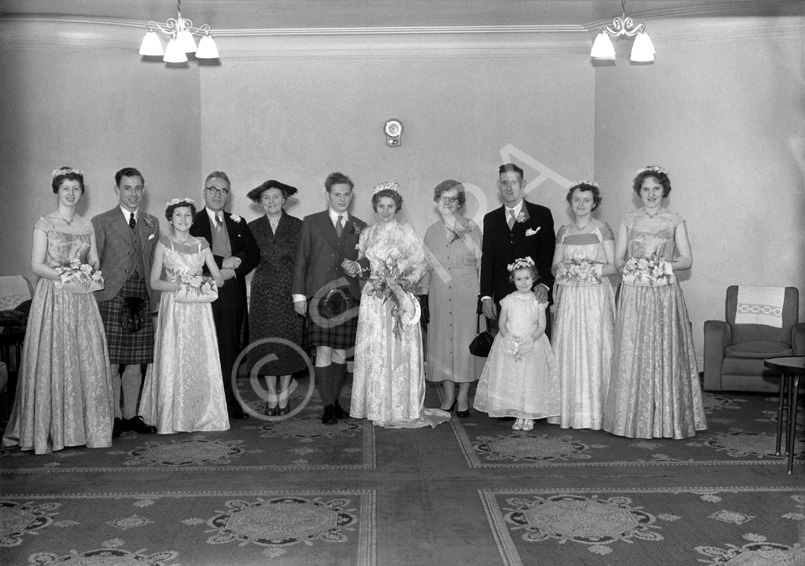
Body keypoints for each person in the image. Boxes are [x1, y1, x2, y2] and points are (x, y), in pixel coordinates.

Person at [3, 167, 114, 454]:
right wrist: (66, 276)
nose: (70, 193)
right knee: (55, 354)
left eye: (75, 188)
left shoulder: (86, 225)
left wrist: (89, 270)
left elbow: (95, 261)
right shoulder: (44, 223)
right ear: (57, 190)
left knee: (83, 356)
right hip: (53, 296)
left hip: (82, 299)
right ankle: (51, 430)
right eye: (65, 187)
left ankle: (83, 428)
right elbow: (36, 266)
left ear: (81, 192)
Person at [603, 166, 706, 439]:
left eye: (656, 189)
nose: (651, 194)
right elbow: (618, 259)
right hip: (635, 292)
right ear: (639, 192)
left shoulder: (675, 219)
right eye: (645, 189)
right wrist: (633, 267)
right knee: (633, 348)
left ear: (664, 191)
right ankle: (631, 418)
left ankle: (668, 419)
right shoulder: (628, 219)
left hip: (664, 293)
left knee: (665, 348)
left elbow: (687, 260)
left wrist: (661, 266)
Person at [345, 181, 450, 429]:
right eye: (381, 205)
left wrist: (405, 280)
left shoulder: (406, 233)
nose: (385, 210)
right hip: (373, 298)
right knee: (376, 350)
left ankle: (404, 405)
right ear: (375, 207)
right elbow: (364, 266)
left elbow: (422, 264)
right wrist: (360, 269)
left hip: (399, 298)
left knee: (400, 349)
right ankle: (377, 405)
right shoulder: (367, 233)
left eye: (390, 205)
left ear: (397, 207)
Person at [140, 198, 228, 433]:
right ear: (170, 219)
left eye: (187, 215)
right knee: (174, 354)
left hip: (199, 309)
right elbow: (155, 282)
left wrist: (200, 283)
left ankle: (202, 414)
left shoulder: (202, 244)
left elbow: (218, 278)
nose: (183, 219)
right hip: (175, 307)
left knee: (198, 356)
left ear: (193, 218)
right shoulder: (164, 244)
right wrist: (180, 286)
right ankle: (171, 416)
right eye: (178, 215)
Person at [292, 172, 366, 424]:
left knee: (341, 353)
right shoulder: (311, 222)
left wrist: (358, 265)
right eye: (337, 194)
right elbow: (301, 260)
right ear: (327, 195)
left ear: (351, 195)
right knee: (323, 350)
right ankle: (326, 406)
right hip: (319, 295)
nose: (342, 198)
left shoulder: (361, 226)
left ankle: (335, 401)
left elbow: (368, 260)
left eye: (346, 194)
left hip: (348, 295)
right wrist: (299, 296)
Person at [93, 167, 160, 437]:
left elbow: (154, 262)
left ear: (143, 190)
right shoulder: (102, 221)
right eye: (127, 188)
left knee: (135, 361)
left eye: (137, 188)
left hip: (140, 296)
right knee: (111, 362)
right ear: (117, 190)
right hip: (111, 296)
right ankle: (115, 417)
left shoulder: (152, 222)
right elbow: (94, 261)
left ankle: (132, 415)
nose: (133, 194)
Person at [190, 171, 260, 420]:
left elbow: (254, 255)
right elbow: (186, 255)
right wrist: (221, 261)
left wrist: (235, 270)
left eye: (222, 191)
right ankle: (204, 403)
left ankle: (229, 402)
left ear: (228, 196)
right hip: (202, 294)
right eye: (213, 189)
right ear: (204, 192)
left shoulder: (238, 222)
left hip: (232, 293)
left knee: (230, 349)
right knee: (204, 348)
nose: (217, 194)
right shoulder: (191, 220)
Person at [548, 181, 617, 430]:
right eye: (577, 199)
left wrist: (589, 272)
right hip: (569, 296)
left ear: (594, 203)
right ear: (570, 202)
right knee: (569, 346)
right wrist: (569, 271)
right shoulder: (564, 231)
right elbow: (555, 266)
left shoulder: (602, 229)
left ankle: (596, 411)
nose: (581, 204)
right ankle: (568, 410)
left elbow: (614, 265)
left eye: (586, 200)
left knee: (594, 345)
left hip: (594, 297)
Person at [473, 257, 560, 431]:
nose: (523, 282)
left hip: (533, 343)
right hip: (511, 343)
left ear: (533, 278)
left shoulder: (538, 301)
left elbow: (542, 325)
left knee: (530, 379)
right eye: (519, 279)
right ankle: (518, 414)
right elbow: (502, 324)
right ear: (513, 280)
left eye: (527, 278)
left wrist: (530, 339)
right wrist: (508, 339)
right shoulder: (507, 300)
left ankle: (529, 415)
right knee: (513, 379)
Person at [420, 180, 482, 417]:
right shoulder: (431, 231)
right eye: (443, 198)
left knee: (466, 343)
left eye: (453, 198)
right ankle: (448, 396)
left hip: (467, 290)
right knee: (442, 344)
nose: (448, 203)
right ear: (437, 202)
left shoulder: (472, 228)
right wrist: (424, 296)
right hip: (438, 291)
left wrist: (482, 296)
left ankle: (464, 396)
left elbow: (481, 263)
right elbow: (426, 267)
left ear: (460, 202)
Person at [247, 180, 305, 415]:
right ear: (260, 202)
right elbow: (245, 259)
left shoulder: (298, 226)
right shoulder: (251, 227)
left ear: (284, 199)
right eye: (266, 198)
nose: (271, 201)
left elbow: (304, 262)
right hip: (262, 292)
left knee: (288, 342)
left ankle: (284, 395)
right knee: (266, 343)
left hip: (288, 291)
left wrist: (301, 294)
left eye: (276, 197)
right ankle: (271, 395)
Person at [480, 163, 556, 338]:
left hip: (535, 295)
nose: (509, 187)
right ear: (498, 185)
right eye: (504, 182)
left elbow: (548, 254)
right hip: (503, 298)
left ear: (523, 184)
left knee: (533, 347)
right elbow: (487, 259)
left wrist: (544, 284)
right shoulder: (491, 219)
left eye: (513, 182)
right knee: (508, 349)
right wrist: (486, 296)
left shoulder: (541, 214)